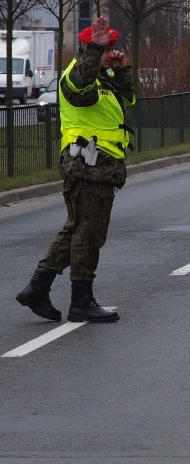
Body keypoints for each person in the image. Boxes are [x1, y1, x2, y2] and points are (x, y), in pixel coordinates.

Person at [16, 16, 135, 323]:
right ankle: (81, 301)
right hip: (87, 166)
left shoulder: (103, 78)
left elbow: (128, 99)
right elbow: (80, 88)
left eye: (112, 47)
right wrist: (95, 54)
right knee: (88, 234)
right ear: (89, 48)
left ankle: (37, 287)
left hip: (98, 167)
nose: (112, 52)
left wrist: (121, 70)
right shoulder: (77, 74)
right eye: (106, 48)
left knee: (76, 229)